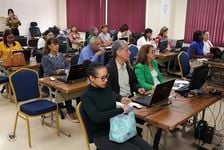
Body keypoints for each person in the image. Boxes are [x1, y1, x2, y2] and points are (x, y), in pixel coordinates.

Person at [81, 62, 154, 150]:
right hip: (102, 135)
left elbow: (113, 95)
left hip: (119, 128)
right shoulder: (86, 96)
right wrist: (121, 110)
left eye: (106, 76)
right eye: (102, 78)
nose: (106, 80)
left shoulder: (107, 88)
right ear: (91, 78)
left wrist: (121, 98)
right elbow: (97, 117)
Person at [41, 37, 77, 122]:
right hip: (50, 81)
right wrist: (60, 71)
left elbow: (67, 66)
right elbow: (48, 72)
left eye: (58, 44)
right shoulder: (45, 58)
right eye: (55, 44)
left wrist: (61, 70)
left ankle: (78, 109)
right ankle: (69, 111)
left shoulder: (61, 55)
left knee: (74, 85)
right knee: (66, 88)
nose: (57, 46)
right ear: (49, 46)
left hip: (62, 77)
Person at [106, 40, 145, 104]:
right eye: (126, 50)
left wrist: (138, 88)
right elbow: (107, 91)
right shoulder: (109, 69)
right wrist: (120, 98)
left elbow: (132, 83)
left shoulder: (127, 66)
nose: (129, 53)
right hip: (118, 102)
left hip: (130, 99)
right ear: (118, 52)